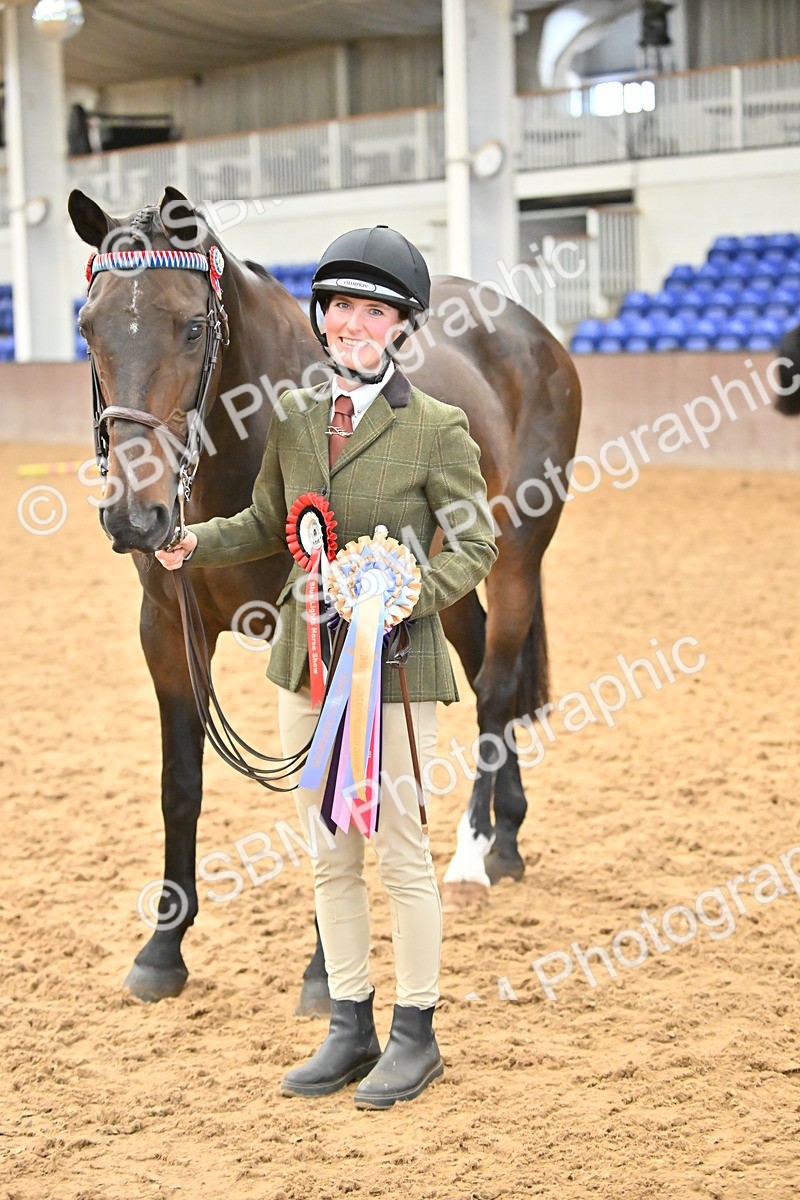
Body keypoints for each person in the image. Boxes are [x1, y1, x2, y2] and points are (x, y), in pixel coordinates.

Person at [156, 226, 497, 1109]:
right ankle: (350, 1024)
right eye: (340, 306)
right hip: (305, 668)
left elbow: (479, 539)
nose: (351, 322)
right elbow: (269, 522)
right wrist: (191, 541)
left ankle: (415, 1033)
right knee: (328, 853)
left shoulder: (438, 429)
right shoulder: (297, 422)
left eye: (372, 309)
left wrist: (412, 590)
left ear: (400, 327)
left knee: (403, 853)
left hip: (396, 662)